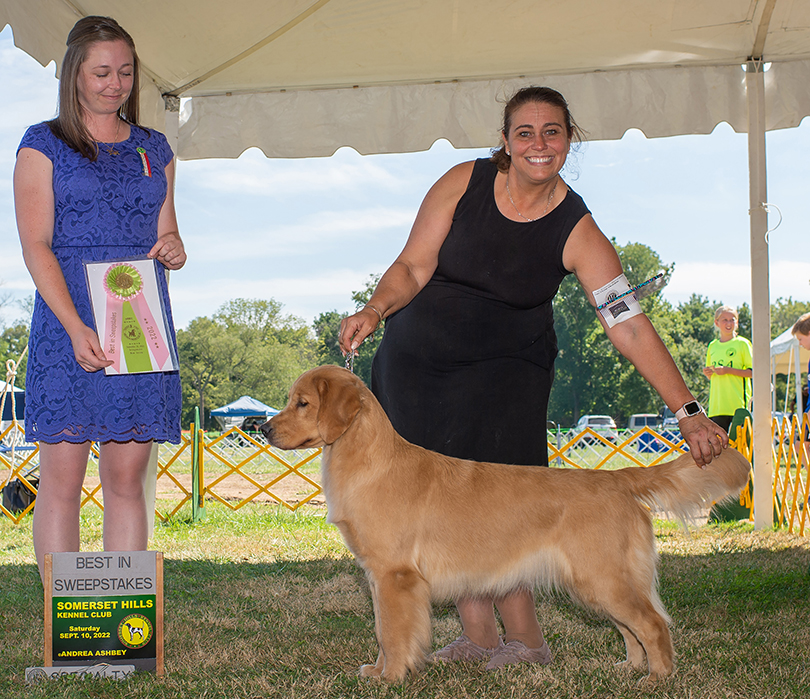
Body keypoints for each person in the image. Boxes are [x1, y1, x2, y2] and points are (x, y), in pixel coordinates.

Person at [338, 86, 728, 671]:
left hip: (506, 378)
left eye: (552, 132)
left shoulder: (579, 229)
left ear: (569, 140)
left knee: (507, 509)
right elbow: (413, 266)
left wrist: (688, 409)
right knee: (441, 518)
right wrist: (374, 309)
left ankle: (526, 643)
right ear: (505, 141)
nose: (538, 144)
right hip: (420, 369)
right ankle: (481, 641)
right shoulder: (461, 182)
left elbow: (629, 328)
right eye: (525, 132)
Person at [14, 16, 185, 582]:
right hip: (70, 323)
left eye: (126, 72)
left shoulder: (155, 148)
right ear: (75, 76)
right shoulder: (42, 145)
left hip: (137, 322)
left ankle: (120, 625)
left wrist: (173, 246)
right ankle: (66, 627)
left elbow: (167, 230)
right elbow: (35, 244)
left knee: (126, 482)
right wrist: (72, 325)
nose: (116, 84)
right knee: (60, 485)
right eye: (102, 72)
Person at [702, 306, 753, 432]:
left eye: (732, 320)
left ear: (737, 322)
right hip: (717, 407)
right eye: (725, 320)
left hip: (738, 405)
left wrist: (728, 370)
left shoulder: (742, 344)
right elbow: (711, 376)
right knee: (719, 448)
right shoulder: (712, 346)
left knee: (739, 448)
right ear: (716, 323)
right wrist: (708, 373)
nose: (729, 323)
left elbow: (753, 373)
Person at [791, 312, 810, 467]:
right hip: (807, 413)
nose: (800, 343)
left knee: (801, 445)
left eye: (801, 339)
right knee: (800, 445)